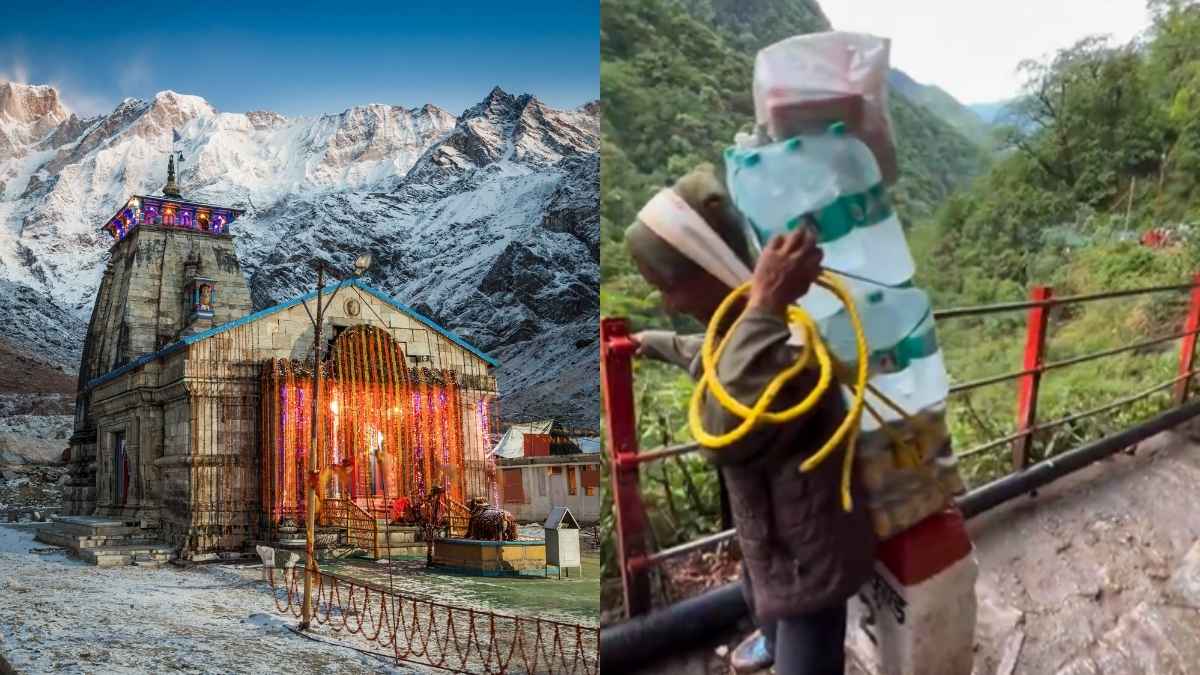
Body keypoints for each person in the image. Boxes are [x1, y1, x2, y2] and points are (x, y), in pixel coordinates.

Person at [625, 167, 876, 675]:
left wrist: (767, 302)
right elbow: (714, 354)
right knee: (763, 594)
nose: (666, 303)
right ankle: (774, 639)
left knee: (805, 644)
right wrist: (656, 343)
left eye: (668, 287)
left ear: (704, 268)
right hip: (775, 537)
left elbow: (723, 429)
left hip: (810, 559)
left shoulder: (787, 349)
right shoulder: (744, 329)